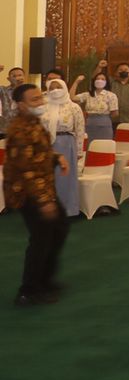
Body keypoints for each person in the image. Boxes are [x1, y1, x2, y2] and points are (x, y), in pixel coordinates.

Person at [4, 85, 70, 305]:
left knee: (59, 228)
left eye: (40, 97)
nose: (41, 102)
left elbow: (40, 152)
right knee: (41, 238)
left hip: (43, 188)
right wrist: (43, 201)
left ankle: (45, 280)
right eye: (34, 100)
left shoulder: (34, 123)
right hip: (28, 193)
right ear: (21, 105)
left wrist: (57, 157)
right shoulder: (19, 131)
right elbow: (26, 170)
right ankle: (29, 291)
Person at [39, 76, 85, 219]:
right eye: (51, 88)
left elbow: (80, 129)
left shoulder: (73, 107)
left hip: (66, 143)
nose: (55, 91)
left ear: (64, 88)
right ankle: (48, 210)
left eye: (58, 87)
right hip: (46, 145)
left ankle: (68, 209)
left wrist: (79, 150)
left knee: (65, 177)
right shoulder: (43, 107)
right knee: (48, 177)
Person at [73, 64, 118, 144]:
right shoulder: (88, 95)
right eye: (98, 79)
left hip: (105, 124)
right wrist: (76, 82)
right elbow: (72, 98)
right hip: (90, 124)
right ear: (94, 81)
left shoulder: (111, 95)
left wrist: (102, 117)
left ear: (106, 82)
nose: (100, 80)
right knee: (89, 146)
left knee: (104, 146)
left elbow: (115, 113)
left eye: (103, 79)